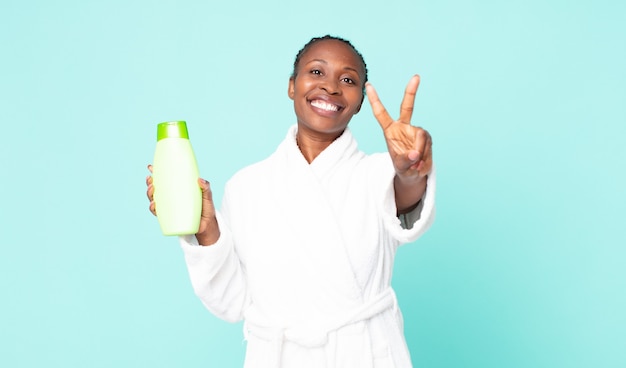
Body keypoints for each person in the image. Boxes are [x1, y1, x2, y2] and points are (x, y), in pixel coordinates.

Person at [146, 35, 435, 368]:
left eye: (347, 79)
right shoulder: (246, 186)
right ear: (291, 86)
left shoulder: (380, 173)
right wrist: (206, 230)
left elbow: (406, 191)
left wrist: (411, 172)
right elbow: (232, 303)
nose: (331, 86)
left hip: (364, 355)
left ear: (358, 103)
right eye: (316, 72)